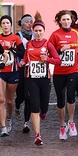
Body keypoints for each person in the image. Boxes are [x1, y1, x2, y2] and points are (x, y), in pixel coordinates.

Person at [19, 12, 61, 145]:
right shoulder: (29, 44)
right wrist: (22, 63)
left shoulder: (48, 44)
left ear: (44, 31)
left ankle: (44, 111)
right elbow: (26, 58)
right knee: (34, 106)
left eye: (40, 31)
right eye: (36, 31)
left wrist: (47, 59)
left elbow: (58, 61)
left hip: (44, 79)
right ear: (33, 31)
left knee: (44, 105)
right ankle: (37, 135)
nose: (38, 33)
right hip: (31, 78)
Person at [48, 10, 78, 140]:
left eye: (68, 19)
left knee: (70, 96)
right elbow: (50, 53)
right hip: (59, 71)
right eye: (63, 19)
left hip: (73, 70)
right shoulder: (55, 35)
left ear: (72, 20)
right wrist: (60, 50)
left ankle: (71, 122)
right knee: (60, 100)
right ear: (59, 21)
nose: (66, 22)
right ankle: (62, 125)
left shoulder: (76, 32)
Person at [0, 15, 25, 137]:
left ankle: (9, 117)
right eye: (3, 23)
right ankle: (3, 127)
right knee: (1, 99)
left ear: (10, 25)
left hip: (13, 72)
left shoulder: (15, 38)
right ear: (1, 25)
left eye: (7, 23)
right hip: (0, 72)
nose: (5, 25)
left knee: (9, 100)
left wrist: (11, 47)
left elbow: (23, 53)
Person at [14, 14, 34, 133]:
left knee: (29, 96)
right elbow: (18, 52)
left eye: (31, 22)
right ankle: (17, 105)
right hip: (20, 67)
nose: (29, 24)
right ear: (22, 24)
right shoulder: (18, 36)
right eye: (26, 22)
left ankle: (26, 123)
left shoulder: (36, 34)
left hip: (32, 68)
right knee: (20, 94)